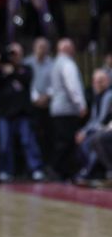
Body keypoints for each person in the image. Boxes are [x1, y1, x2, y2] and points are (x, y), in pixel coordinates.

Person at [0, 43, 45, 181]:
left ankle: (36, 169)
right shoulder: (1, 70)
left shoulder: (26, 68)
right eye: (12, 53)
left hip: (23, 113)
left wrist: (12, 72)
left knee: (28, 142)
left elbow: (26, 80)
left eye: (17, 53)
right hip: (5, 113)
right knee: (5, 144)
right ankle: (6, 171)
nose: (14, 56)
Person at [49, 39, 87, 180]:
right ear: (67, 48)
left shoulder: (55, 63)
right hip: (67, 108)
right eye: (72, 47)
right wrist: (81, 104)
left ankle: (60, 171)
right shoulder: (67, 64)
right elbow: (73, 86)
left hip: (57, 108)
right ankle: (58, 170)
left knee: (62, 141)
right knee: (67, 142)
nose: (74, 50)